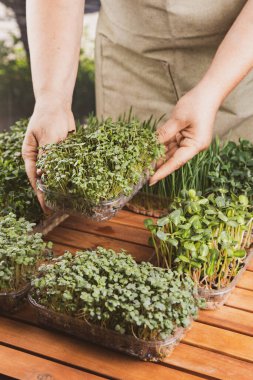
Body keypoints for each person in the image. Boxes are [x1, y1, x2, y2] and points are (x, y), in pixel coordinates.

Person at [22, 0, 253, 210]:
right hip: (130, 54)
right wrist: (52, 99)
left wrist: (213, 90)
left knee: (228, 199)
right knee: (124, 198)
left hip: (238, 54)